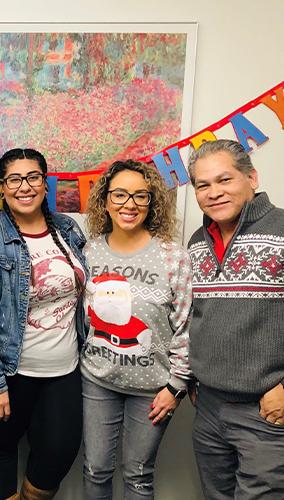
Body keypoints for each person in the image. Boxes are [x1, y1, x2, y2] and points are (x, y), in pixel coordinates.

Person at [0, 148, 87, 500]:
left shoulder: (68, 229)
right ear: (3, 187)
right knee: (0, 448)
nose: (24, 186)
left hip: (63, 368)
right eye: (14, 179)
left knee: (60, 450)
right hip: (8, 369)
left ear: (46, 184)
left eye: (33, 177)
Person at [186, 139, 284, 499]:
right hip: (209, 410)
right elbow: (195, 316)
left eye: (224, 180)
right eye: (203, 185)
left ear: (251, 177)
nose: (214, 192)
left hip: (270, 412)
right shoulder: (196, 242)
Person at [80, 159, 193, 499]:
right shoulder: (90, 251)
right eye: (120, 195)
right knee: (95, 469)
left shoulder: (173, 257)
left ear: (152, 202)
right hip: (97, 381)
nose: (129, 204)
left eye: (140, 196)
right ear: (105, 201)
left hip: (154, 389)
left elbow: (187, 326)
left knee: (138, 475)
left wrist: (177, 386)